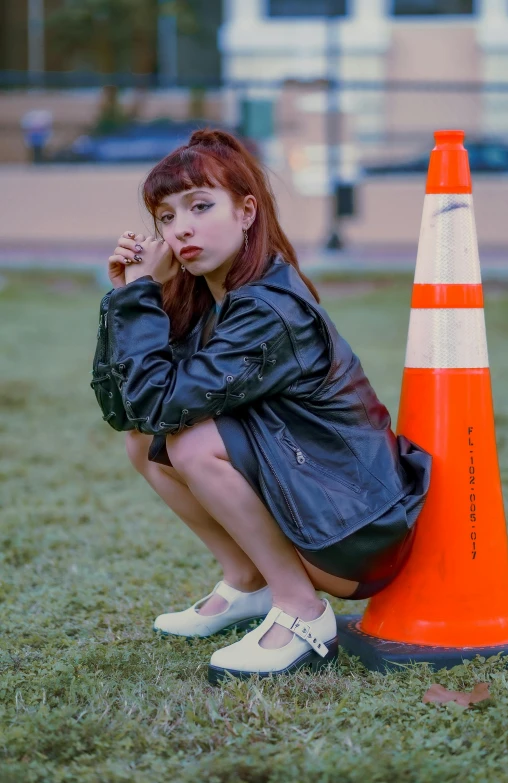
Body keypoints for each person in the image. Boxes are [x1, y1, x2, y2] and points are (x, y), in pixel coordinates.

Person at [91, 128, 431, 684]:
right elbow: (128, 411)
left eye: (200, 206)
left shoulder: (268, 309)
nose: (181, 229)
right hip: (316, 503)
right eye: (166, 217)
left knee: (192, 442)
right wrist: (129, 296)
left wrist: (138, 300)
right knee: (146, 446)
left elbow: (158, 402)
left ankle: (302, 609)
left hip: (355, 528)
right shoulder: (213, 298)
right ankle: (249, 581)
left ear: (247, 211)